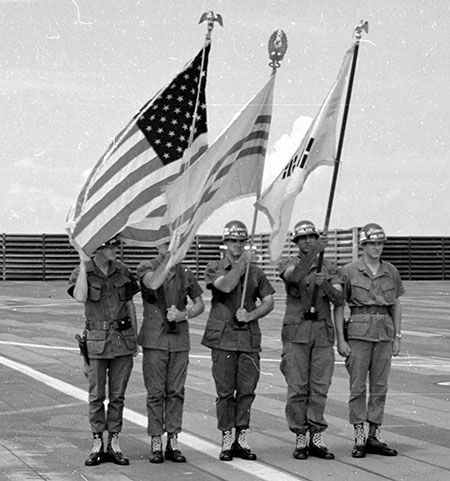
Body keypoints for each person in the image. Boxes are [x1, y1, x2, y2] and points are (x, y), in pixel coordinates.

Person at [201, 220, 275, 462]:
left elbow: (268, 301)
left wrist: (251, 315)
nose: (238, 246)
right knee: (225, 392)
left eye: (242, 241)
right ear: (225, 243)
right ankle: (226, 437)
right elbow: (226, 286)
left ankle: (241, 436)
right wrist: (240, 266)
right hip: (223, 339)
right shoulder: (215, 267)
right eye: (233, 241)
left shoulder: (256, 271)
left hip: (247, 338)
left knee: (246, 390)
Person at [68, 237, 139, 467]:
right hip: (97, 342)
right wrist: (82, 263)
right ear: (98, 249)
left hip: (121, 341)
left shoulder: (123, 270)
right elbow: (79, 297)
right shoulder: (84, 271)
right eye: (111, 246)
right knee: (97, 396)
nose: (115, 250)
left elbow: (129, 305)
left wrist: (135, 338)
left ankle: (114, 442)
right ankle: (97, 442)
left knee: (118, 396)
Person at [334, 223, 404, 458]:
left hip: (384, 331)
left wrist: (397, 336)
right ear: (362, 245)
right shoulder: (350, 271)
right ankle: (359, 436)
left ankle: (374, 434)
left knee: (380, 386)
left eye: (380, 243)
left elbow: (396, 304)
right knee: (357, 386)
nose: (376, 248)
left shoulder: (391, 270)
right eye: (372, 243)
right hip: (358, 333)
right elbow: (339, 306)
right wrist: (340, 340)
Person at [278, 220, 343, 460]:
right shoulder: (289, 262)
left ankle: (316, 434)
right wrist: (313, 257)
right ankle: (300, 436)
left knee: (319, 387)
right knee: (297, 387)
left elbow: (339, 298)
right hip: (297, 332)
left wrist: (324, 283)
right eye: (302, 238)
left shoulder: (329, 265)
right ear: (296, 242)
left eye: (312, 237)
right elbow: (294, 277)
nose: (308, 240)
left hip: (322, 332)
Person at [137, 241, 204, 464]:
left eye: (174, 242)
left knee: (176, 391)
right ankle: (156, 439)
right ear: (157, 245)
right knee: (156, 392)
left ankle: (173, 440)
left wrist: (184, 315)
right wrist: (168, 260)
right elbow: (152, 283)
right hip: (155, 339)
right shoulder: (146, 266)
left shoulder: (185, 271)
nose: (169, 247)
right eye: (166, 243)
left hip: (178, 339)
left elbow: (200, 303)